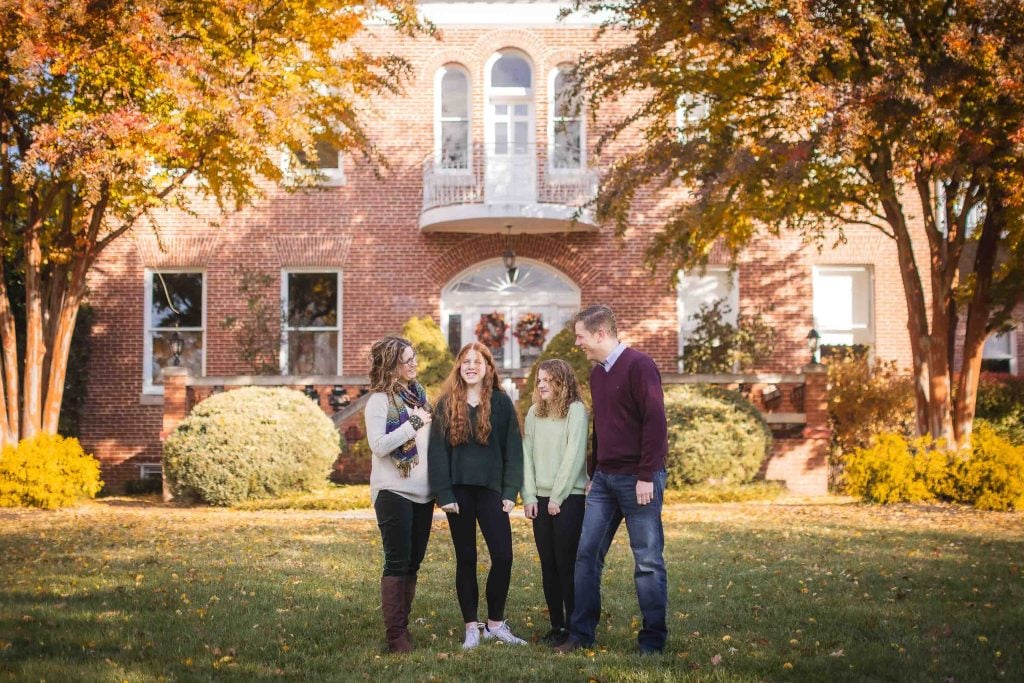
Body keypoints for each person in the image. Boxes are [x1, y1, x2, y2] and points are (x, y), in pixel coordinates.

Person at [556, 304, 669, 655]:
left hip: (638, 479)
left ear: (601, 333)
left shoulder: (640, 366)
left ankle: (652, 641)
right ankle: (580, 634)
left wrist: (646, 475)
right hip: (605, 481)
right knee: (586, 555)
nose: (578, 343)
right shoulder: (598, 374)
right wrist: (594, 473)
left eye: (581, 336)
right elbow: (601, 428)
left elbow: (655, 423)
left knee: (647, 562)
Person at [428, 342, 527, 649]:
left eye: (478, 362)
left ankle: (495, 624)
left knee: (503, 556)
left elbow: (514, 450)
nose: (471, 366)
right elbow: (437, 454)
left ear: (488, 368)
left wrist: (511, 491)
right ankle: (472, 626)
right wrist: (443, 493)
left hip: (492, 492)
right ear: (459, 366)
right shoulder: (446, 403)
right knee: (466, 558)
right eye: (466, 361)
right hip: (458, 494)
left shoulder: (500, 403)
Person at [364, 336, 434, 653]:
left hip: (423, 494)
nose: (414, 364)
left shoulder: (420, 397)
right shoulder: (379, 401)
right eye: (407, 360)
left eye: (414, 357)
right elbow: (379, 446)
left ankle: (402, 627)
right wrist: (412, 424)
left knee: (413, 563)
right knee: (397, 561)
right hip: (393, 491)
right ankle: (396, 636)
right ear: (392, 365)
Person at [522, 359, 589, 647]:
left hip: (568, 498)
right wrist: (528, 496)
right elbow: (526, 455)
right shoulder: (533, 413)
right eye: (539, 380)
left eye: (548, 380)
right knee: (547, 564)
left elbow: (574, 455)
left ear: (562, 382)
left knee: (566, 563)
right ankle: (557, 626)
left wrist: (557, 496)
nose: (541, 385)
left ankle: (575, 626)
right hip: (540, 498)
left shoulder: (576, 411)